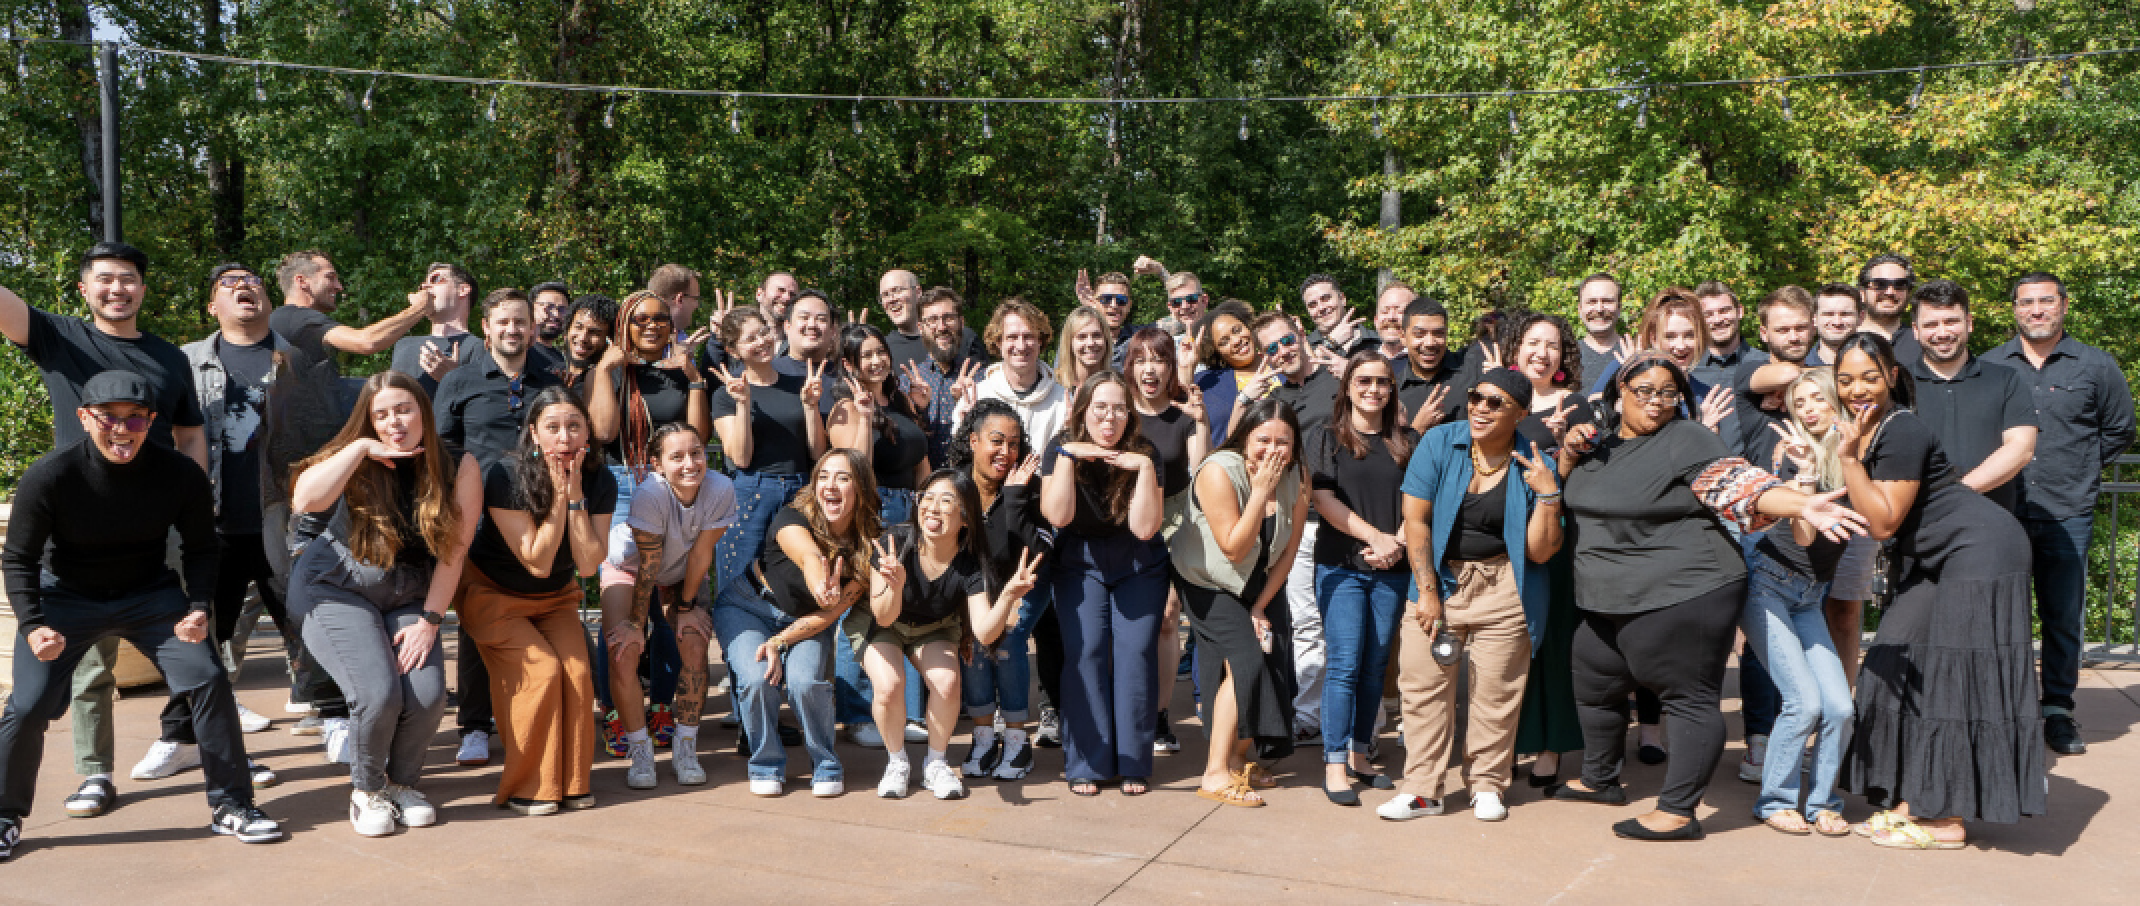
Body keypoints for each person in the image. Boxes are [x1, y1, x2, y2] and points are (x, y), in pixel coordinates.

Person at [1552, 354, 1863, 841]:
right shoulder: (1602, 442)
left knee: (1689, 699)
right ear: (1618, 393)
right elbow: (1569, 487)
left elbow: (1738, 484)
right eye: (1645, 391)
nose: (1657, 402)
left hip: (1685, 592)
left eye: (1668, 393)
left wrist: (1801, 502)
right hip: (1606, 597)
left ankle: (1678, 810)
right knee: (1594, 683)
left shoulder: (1687, 439)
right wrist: (1569, 452)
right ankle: (1600, 779)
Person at [0, 371, 284, 857]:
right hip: (65, 599)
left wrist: (197, 607)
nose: (122, 429)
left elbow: (200, 549)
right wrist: (33, 624)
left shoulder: (179, 474)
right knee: (27, 706)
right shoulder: (51, 474)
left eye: (135, 419)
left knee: (206, 678)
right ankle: (5, 814)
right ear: (84, 418)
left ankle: (233, 804)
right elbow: (17, 557)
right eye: (108, 417)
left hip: (150, 596)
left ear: (151, 422)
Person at [0, 244, 210, 818]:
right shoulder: (59, 336)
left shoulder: (170, 358)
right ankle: (96, 773)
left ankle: (209, 758)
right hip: (78, 524)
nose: (119, 289)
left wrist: (195, 497)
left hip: (159, 522)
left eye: (130, 279)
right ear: (84, 289)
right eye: (106, 280)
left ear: (145, 289)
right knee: (90, 659)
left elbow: (190, 433)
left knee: (194, 640)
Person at [1834, 333, 2048, 848]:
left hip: (1981, 551)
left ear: (1890, 375)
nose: (1856, 388)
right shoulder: (1872, 429)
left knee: (1955, 677)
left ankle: (1943, 817)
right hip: (1938, 557)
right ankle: (1908, 793)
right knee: (1891, 655)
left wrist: (1846, 459)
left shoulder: (1901, 429)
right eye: (1844, 379)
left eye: (1867, 376)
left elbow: (1883, 522)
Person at [285, 371, 482, 835]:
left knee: (429, 695)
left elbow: (455, 552)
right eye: (382, 414)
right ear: (369, 421)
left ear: (423, 412)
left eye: (404, 409)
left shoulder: (458, 464)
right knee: (377, 692)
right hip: (336, 588)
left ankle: (401, 784)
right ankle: (367, 790)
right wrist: (358, 450)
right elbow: (304, 500)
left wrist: (430, 621)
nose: (395, 422)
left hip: (409, 592)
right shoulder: (354, 455)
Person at [136, 264, 296, 789]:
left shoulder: (295, 358)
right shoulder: (185, 361)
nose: (244, 287)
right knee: (200, 638)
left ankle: (338, 719)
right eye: (229, 284)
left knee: (311, 624)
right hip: (214, 528)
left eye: (253, 282)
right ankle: (178, 739)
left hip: (284, 524)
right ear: (212, 307)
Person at [1381, 370, 1564, 822]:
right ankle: (1423, 789)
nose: (1480, 407)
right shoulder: (1441, 441)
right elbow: (1416, 520)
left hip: (1505, 585)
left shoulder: (1534, 459)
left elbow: (1540, 551)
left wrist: (1549, 495)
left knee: (1496, 690)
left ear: (1520, 414)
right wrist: (1426, 592)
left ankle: (1487, 784)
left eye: (1495, 402)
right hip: (1439, 578)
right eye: (1476, 397)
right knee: (1422, 687)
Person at [1986, 272, 2135, 757]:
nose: (2036, 310)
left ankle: (2057, 712)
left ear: (2063, 306)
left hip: (2066, 511)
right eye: (2026, 302)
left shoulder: (2096, 365)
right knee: (1999, 614)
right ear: (2013, 309)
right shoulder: (1990, 365)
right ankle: (2001, 709)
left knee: (2062, 615)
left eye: (2045, 301)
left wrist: (2081, 471)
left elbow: (2118, 431)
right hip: (2001, 509)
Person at [459, 387, 615, 815]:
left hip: (556, 599)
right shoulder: (505, 476)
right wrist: (560, 497)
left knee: (578, 673)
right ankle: (531, 786)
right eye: (553, 427)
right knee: (542, 672)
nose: (564, 437)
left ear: (588, 433)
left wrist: (577, 495)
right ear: (534, 433)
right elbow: (539, 561)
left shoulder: (601, 478)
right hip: (492, 595)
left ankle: (572, 783)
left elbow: (586, 566)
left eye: (574, 426)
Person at [432, 288, 565, 768]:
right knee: (476, 622)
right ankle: (474, 725)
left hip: (540, 515)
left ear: (533, 328)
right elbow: (442, 446)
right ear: (485, 327)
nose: (513, 329)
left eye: (520, 322)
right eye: (503, 321)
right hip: (478, 521)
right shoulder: (461, 380)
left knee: (544, 609)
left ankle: (536, 718)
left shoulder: (551, 378)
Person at [859, 470, 1038, 799]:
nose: (932, 507)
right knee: (889, 686)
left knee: (947, 681)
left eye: (946, 501)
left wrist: (1010, 596)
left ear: (965, 518)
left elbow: (984, 632)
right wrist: (895, 586)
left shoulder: (971, 563)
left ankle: (935, 764)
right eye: (926, 498)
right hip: (884, 623)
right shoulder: (892, 544)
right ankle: (897, 762)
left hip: (935, 626)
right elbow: (883, 616)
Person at [714, 449, 877, 798]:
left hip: (807, 622)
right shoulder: (792, 516)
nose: (830, 485)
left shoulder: (867, 545)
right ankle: (765, 763)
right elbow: (808, 555)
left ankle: (827, 764)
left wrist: (779, 641)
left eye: (843, 477)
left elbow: (831, 615)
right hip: (747, 606)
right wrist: (821, 584)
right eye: (823, 476)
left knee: (804, 683)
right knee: (758, 679)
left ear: (860, 487)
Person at [1173, 399, 1309, 807]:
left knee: (1271, 659)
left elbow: (1289, 552)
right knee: (1245, 660)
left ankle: (1237, 758)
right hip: (1208, 582)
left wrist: (1260, 606)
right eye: (1262, 439)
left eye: (1282, 442)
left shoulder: (1298, 475)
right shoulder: (1219, 472)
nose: (1272, 450)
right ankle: (1214, 774)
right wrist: (1261, 491)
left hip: (1259, 584)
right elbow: (1233, 547)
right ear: (1244, 439)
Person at [1741, 369, 1856, 837]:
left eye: (1817, 399)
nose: (1808, 409)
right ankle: (1775, 801)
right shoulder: (1794, 455)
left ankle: (1824, 801)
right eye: (1800, 401)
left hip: (1809, 595)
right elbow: (1805, 535)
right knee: (1804, 703)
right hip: (1767, 584)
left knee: (1841, 708)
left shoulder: (1853, 453)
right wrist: (1806, 474)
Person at [1042, 371, 1167, 796]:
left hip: (1139, 562)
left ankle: (1133, 761)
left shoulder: (1147, 453)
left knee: (1135, 654)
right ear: (1083, 410)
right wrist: (1066, 457)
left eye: (1118, 408)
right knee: (1085, 652)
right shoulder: (1060, 449)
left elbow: (1146, 528)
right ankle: (1087, 763)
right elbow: (1057, 517)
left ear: (1130, 415)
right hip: (1080, 562)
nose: (1109, 418)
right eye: (1100, 408)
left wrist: (1144, 469)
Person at [1305, 351, 1416, 806]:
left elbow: (1419, 500)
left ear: (1392, 389)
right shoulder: (1326, 437)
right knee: (1346, 664)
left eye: (1382, 382)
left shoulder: (1407, 440)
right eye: (1364, 380)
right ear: (1347, 385)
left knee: (1374, 665)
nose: (1373, 389)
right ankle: (1334, 763)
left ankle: (1360, 754)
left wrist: (1400, 543)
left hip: (1393, 567)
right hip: (1343, 565)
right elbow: (1323, 499)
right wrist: (1377, 537)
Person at [599, 424, 735, 789]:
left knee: (693, 640)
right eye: (677, 457)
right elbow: (647, 567)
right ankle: (640, 749)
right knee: (623, 650)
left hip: (680, 571)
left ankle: (685, 746)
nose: (690, 463)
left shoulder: (720, 488)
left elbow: (702, 553)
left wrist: (686, 606)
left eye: (696, 453)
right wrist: (634, 625)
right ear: (657, 464)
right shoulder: (650, 493)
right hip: (629, 567)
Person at [1498, 311, 1592, 786]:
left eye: (1551, 344)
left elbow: (1584, 477)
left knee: (1551, 644)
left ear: (1562, 356)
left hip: (1554, 540)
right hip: (1500, 539)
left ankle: (1552, 746)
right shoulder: (1496, 398)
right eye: (1533, 342)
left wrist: (1562, 450)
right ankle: (1505, 741)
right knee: (1505, 647)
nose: (1541, 352)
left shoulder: (1575, 405)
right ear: (1516, 349)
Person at [952, 401, 1056, 780]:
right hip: (977, 584)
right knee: (974, 641)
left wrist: (1013, 499)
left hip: (1026, 580)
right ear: (974, 440)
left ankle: (1016, 740)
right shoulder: (954, 485)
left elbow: (1039, 551)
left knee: (1008, 640)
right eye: (997, 441)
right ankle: (982, 736)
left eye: (1014, 443)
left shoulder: (1029, 485)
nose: (1006, 452)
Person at [1123, 327, 1209, 753]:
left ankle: (1159, 716)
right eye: (1141, 360)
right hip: (1125, 516)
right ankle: (1124, 708)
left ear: (1171, 366)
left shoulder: (1182, 415)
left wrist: (1201, 421)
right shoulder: (1118, 412)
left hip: (1176, 517)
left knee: (1168, 616)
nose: (1149, 368)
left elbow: (1201, 472)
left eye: (1158, 359)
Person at [707, 306, 827, 602]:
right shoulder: (725, 394)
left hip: (800, 491)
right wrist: (743, 403)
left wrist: (811, 406)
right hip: (751, 492)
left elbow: (817, 451)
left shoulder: (800, 385)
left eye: (763, 333)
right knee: (739, 584)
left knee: (797, 581)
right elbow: (741, 459)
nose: (761, 341)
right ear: (734, 351)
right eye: (751, 339)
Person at [1907, 280, 2037, 513]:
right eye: (1931, 324)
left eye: (1951, 322)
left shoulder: (2005, 379)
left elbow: (2021, 448)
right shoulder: (1897, 384)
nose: (1942, 333)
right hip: (1912, 525)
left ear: (1969, 323)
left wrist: (1957, 493)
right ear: (1916, 331)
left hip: (1990, 521)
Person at [588, 289, 713, 512]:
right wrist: (604, 370)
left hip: (675, 482)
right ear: (625, 325)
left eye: (660, 319)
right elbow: (604, 433)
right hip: (622, 482)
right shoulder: (607, 372)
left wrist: (694, 379)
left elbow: (698, 437)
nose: (652, 326)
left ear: (672, 328)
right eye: (641, 319)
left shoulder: (683, 372)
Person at [269, 249, 432, 379]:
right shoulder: (294, 317)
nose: (339, 287)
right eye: (330, 278)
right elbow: (367, 342)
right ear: (302, 281)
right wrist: (420, 307)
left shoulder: (287, 320)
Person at [829, 324, 932, 525]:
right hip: (876, 510)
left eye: (881, 352)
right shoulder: (845, 409)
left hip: (914, 507)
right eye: (866, 355)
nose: (877, 361)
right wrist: (866, 417)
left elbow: (921, 461)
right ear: (848, 364)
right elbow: (856, 471)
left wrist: (926, 500)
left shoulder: (901, 400)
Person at [967, 298, 1068, 462]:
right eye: (1012, 337)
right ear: (998, 342)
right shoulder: (976, 396)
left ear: (1040, 341)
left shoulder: (1063, 400)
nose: (1021, 346)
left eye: (1028, 336)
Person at [906, 288, 986, 470]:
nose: (941, 327)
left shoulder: (982, 379)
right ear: (920, 328)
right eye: (932, 320)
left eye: (948, 318)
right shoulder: (906, 383)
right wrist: (919, 410)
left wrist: (967, 407)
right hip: (922, 487)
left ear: (961, 322)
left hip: (971, 486)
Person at [387, 263, 482, 398]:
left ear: (463, 289)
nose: (425, 287)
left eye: (436, 279)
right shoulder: (403, 345)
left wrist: (453, 378)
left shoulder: (481, 348)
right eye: (422, 285)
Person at [1390, 296, 1469, 434]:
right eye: (1419, 334)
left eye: (1439, 334)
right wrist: (1416, 429)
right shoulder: (1392, 390)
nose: (1430, 343)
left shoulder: (1470, 372)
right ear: (1402, 336)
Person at [880, 269, 986, 369]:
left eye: (897, 290)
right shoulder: (883, 349)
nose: (891, 299)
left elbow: (986, 380)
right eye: (885, 295)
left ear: (917, 292)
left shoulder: (963, 337)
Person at [1856, 254, 1923, 366]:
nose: (1890, 292)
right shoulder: (1843, 340)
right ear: (1862, 293)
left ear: (1909, 293)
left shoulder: (1923, 343)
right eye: (1879, 284)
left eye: (1900, 284)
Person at [1300, 274, 1375, 363]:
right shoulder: (1303, 348)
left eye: (1326, 298)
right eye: (1312, 305)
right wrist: (1331, 341)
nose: (1321, 308)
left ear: (1342, 299)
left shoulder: (1376, 341)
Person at [1573, 273, 1626, 387]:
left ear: (1619, 308)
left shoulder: (1637, 353)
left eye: (1607, 301)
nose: (1599, 309)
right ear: (1580, 309)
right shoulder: (1565, 355)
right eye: (1591, 302)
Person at [1054, 303, 1114, 403]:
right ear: (1069, 342)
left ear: (1106, 340)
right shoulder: (1053, 385)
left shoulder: (1116, 386)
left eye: (1096, 335)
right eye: (1081, 337)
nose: (1090, 343)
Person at [556, 294, 618, 387]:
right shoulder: (550, 375)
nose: (583, 338)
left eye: (594, 332)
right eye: (578, 327)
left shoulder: (615, 383)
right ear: (567, 330)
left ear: (610, 340)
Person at [530, 281, 572, 350]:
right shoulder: (520, 352)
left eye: (562, 309)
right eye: (549, 307)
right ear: (531, 309)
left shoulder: (560, 357)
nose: (556, 314)